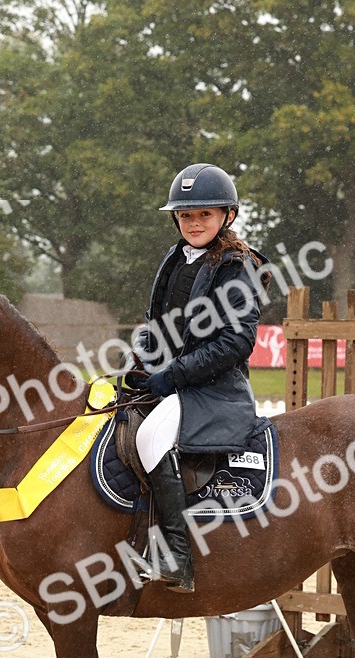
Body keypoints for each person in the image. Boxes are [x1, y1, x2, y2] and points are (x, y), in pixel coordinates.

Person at [131, 163, 267, 593]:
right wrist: (140, 362)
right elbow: (156, 325)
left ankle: (177, 557)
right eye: (186, 215)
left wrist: (173, 375)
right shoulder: (175, 259)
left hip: (216, 390)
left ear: (227, 215)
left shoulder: (238, 268)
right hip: (174, 383)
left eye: (204, 214)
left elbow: (235, 343)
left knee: (151, 437)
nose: (194, 223)